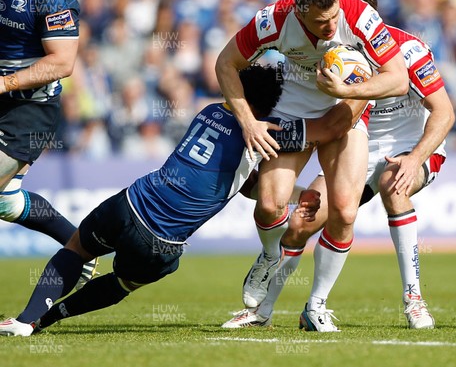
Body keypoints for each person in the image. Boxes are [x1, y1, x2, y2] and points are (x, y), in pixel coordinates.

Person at [0, 63, 363, 337]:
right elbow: (331, 128)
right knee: (123, 282)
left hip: (127, 202)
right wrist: (362, 85)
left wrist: (299, 192)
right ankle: (46, 320)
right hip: (159, 240)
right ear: (272, 105)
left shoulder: (209, 113)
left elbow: (236, 181)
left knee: (77, 248)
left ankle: (24, 319)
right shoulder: (268, 133)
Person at [222, 0, 455, 331]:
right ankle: (263, 310)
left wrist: (413, 158)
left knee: (387, 189)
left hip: (408, 146)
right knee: (299, 219)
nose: (335, 32)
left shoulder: (405, 48)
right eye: (324, 22)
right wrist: (254, 126)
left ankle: (412, 300)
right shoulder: (280, 23)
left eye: (340, 20)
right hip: (347, 132)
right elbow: (229, 63)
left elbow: (442, 111)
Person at [0, 0, 96, 285]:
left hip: (29, 111)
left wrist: (5, 83)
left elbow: (62, 63)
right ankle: (80, 249)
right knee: (5, 201)